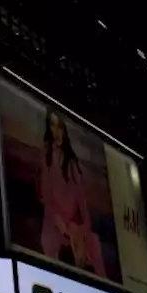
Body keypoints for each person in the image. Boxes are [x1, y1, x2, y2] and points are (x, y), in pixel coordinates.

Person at [38, 111, 107, 275]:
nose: (56, 131)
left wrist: (83, 229)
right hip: (55, 222)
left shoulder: (72, 162)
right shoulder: (46, 156)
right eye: (53, 126)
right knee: (50, 241)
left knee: (92, 243)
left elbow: (82, 202)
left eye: (60, 126)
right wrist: (61, 225)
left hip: (73, 226)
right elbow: (46, 198)